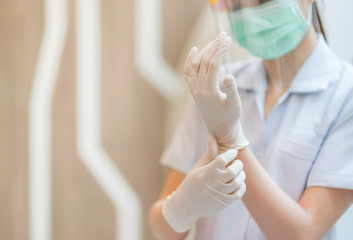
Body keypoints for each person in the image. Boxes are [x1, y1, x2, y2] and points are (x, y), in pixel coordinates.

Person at [149, 0, 353, 239]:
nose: (249, 13)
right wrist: (181, 208)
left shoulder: (345, 95)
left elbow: (304, 233)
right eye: (235, 5)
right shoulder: (214, 88)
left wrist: (230, 139)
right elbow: (163, 229)